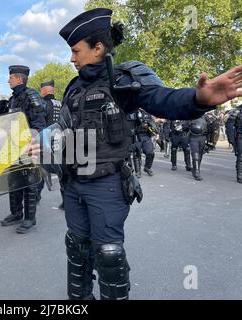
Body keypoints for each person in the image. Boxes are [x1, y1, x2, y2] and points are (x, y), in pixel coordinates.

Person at [29, 8, 242, 300]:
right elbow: (62, 127)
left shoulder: (123, 78)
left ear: (98, 48)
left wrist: (197, 99)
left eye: (76, 51)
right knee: (77, 247)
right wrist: (42, 141)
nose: (72, 58)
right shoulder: (75, 88)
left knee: (108, 253)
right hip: (73, 184)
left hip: (106, 184)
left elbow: (163, 99)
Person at [0, 65, 46, 234]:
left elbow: (39, 125)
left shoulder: (31, 95)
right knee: (14, 182)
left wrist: (32, 146)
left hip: (27, 147)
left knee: (29, 183)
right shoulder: (13, 99)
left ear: (20, 78)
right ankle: (16, 213)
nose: (8, 80)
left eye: (11, 77)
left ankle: (30, 218)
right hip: (13, 147)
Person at [39, 80, 63, 206]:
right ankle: (65, 199)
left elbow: (41, 122)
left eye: (41, 90)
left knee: (43, 168)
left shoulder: (44, 104)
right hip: (61, 139)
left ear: (44, 90)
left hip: (47, 139)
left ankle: (36, 195)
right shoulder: (60, 103)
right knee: (62, 170)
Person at [135, 109, 157, 176]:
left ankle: (147, 167)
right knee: (137, 153)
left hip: (145, 135)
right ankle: (138, 171)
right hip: (136, 135)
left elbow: (152, 123)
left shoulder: (147, 112)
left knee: (150, 152)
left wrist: (154, 131)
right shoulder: (133, 112)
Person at [189, 115, 209, 181]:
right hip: (193, 138)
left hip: (202, 137)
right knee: (195, 156)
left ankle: (196, 169)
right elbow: (184, 126)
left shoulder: (205, 117)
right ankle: (197, 172)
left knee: (200, 155)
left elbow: (211, 127)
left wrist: (211, 141)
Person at [233, 104, 242, 183]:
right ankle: (240, 175)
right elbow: (229, 123)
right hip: (240, 137)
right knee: (240, 157)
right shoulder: (237, 110)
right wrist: (231, 139)